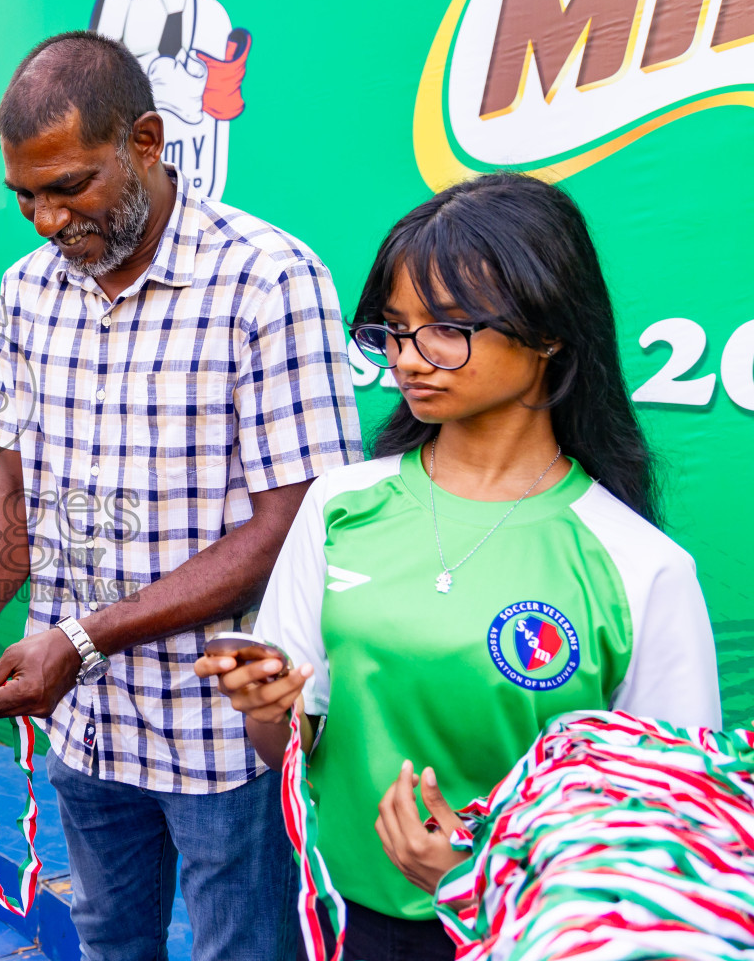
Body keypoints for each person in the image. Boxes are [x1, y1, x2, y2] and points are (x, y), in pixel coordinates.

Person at [0, 32, 362, 961]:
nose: (43, 220)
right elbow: (14, 493)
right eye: (25, 195)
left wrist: (83, 639)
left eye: (70, 187)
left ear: (146, 140)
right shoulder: (27, 290)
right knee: (110, 944)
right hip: (83, 731)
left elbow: (290, 528)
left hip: (222, 736)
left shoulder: (268, 278)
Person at [196, 173, 720, 961]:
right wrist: (268, 708)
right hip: (334, 927)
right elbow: (284, 754)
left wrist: (482, 880)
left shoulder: (641, 567)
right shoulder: (340, 507)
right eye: (394, 330)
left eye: (446, 327)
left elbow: (664, 855)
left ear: (548, 332)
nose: (409, 359)